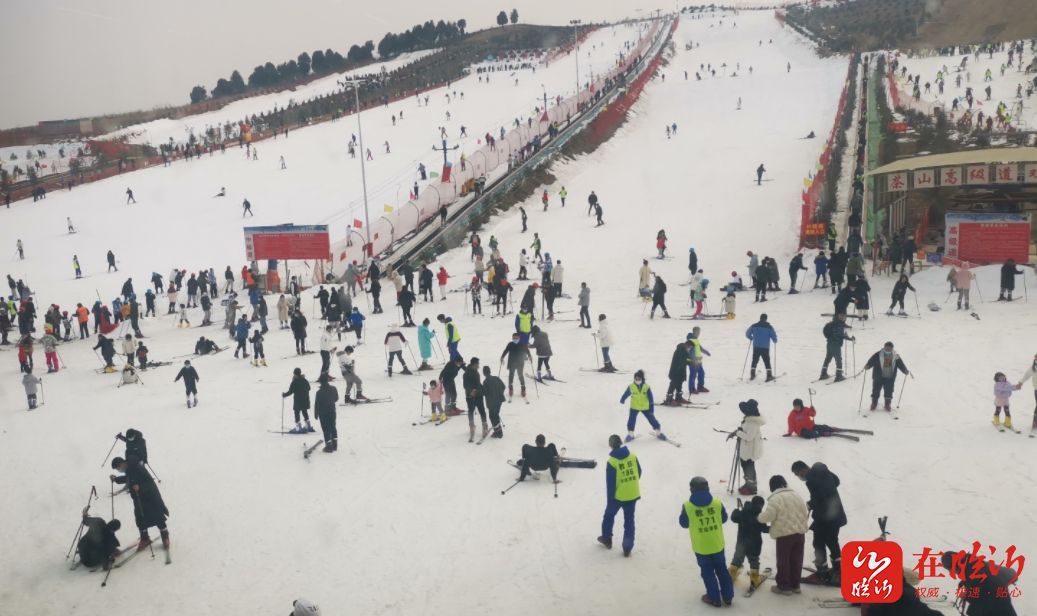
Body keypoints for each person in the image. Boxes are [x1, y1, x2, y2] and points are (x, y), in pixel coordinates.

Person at [678, 476, 734, 607]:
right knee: (722, 570)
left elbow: (683, 523)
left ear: (691, 490)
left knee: (707, 572)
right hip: (717, 544)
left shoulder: (688, 506)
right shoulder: (717, 503)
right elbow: (724, 518)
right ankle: (728, 596)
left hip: (701, 547)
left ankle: (714, 598)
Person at [793, 461, 847, 584]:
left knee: (818, 543)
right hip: (836, 513)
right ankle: (838, 572)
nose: (799, 477)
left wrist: (811, 503)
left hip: (825, 517)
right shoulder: (823, 471)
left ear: (802, 470)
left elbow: (820, 498)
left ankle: (822, 573)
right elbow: (836, 481)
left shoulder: (811, 480)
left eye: (797, 474)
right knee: (832, 541)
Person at [757, 475, 808, 595]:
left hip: (785, 535)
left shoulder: (776, 498)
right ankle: (795, 585)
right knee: (796, 560)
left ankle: (784, 586)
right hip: (800, 534)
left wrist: (758, 518)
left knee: (783, 561)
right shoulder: (797, 495)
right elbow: (804, 512)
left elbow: (768, 516)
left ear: (772, 487)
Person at [110, 455, 169, 551]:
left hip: (150, 497)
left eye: (118, 468)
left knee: (157, 515)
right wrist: (116, 479)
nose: (119, 470)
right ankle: (145, 538)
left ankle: (165, 536)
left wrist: (140, 487)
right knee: (140, 518)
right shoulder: (129, 469)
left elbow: (149, 481)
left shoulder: (137, 467)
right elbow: (129, 478)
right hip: (138, 499)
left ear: (122, 464)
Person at [939, 549, 1018, 616]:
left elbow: (978, 596)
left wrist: (966, 595)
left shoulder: (971, 572)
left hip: (996, 608)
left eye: (951, 570)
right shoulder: (972, 562)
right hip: (1002, 603)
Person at [598, 434, 641, 556]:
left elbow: (610, 484)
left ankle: (607, 539)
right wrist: (630, 484)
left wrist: (610, 501)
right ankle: (627, 547)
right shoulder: (632, 456)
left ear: (610, 445)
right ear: (621, 443)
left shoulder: (612, 462)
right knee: (629, 520)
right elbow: (639, 472)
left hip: (618, 496)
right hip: (632, 494)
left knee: (608, 516)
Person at [728, 496, 768, 591]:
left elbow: (734, 518)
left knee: (737, 559)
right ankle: (754, 580)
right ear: (761, 505)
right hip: (754, 544)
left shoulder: (744, 511)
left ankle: (731, 575)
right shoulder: (759, 516)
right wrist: (774, 528)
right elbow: (764, 529)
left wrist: (736, 511)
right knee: (754, 561)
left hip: (741, 543)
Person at [727, 400, 765, 495]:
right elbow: (744, 430)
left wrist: (738, 433)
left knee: (749, 467)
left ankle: (752, 487)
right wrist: (736, 432)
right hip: (746, 448)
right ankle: (748, 484)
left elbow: (749, 437)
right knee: (746, 466)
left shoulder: (753, 423)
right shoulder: (749, 419)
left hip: (750, 450)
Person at [619, 369, 666, 441]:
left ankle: (658, 432)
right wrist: (623, 399)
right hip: (634, 407)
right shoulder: (631, 386)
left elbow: (651, 399)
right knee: (631, 420)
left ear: (642, 379)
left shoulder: (646, 387)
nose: (637, 380)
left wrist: (651, 409)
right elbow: (626, 393)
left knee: (652, 419)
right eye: (636, 379)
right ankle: (630, 434)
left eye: (639, 379)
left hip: (645, 407)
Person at [864, 341, 910, 412]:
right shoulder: (878, 354)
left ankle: (887, 404)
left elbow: (900, 364)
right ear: (884, 347)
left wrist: (905, 370)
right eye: (887, 348)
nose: (888, 349)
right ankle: (874, 403)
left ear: (892, 348)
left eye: (889, 348)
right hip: (878, 376)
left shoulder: (896, 356)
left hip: (890, 377)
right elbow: (871, 361)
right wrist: (868, 365)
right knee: (876, 390)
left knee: (889, 391)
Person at [820, 313, 854, 381]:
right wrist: (849, 338)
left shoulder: (831, 323)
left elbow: (833, 333)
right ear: (840, 317)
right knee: (838, 360)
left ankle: (823, 374)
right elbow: (839, 335)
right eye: (844, 317)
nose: (845, 318)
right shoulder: (839, 325)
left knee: (827, 359)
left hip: (829, 343)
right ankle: (839, 375)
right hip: (835, 345)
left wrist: (844, 336)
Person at [745, 313, 777, 381]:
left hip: (756, 346)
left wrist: (751, 338)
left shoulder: (754, 326)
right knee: (766, 361)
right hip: (765, 347)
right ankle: (769, 376)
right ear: (766, 319)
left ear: (760, 318)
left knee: (755, 360)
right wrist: (775, 340)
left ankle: (752, 374)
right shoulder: (769, 327)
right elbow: (774, 337)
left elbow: (747, 333)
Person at [500, 332, 532, 401]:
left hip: (520, 362)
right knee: (511, 374)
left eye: (516, 338)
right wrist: (502, 357)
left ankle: (523, 389)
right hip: (511, 362)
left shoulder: (523, 344)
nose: (515, 339)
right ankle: (510, 388)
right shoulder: (510, 344)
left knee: (520, 375)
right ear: (512, 338)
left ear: (519, 338)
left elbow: (527, 351)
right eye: (514, 338)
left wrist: (530, 356)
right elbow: (506, 351)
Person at [463, 357, 487, 442]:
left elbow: (477, 383)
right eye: (478, 364)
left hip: (478, 395)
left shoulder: (476, 372)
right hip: (470, 396)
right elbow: (465, 385)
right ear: (474, 364)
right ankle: (472, 426)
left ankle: (484, 426)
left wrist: (483, 388)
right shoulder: (466, 373)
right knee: (471, 411)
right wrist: (471, 391)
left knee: (482, 410)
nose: (479, 365)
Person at [282, 368, 314, 433]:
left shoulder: (294, 382)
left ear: (295, 374)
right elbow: (309, 388)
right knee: (304, 411)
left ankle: (298, 427)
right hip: (305, 399)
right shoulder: (305, 380)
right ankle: (308, 425)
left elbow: (290, 391)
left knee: (297, 413)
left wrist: (284, 395)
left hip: (298, 401)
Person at [314, 374, 339, 453]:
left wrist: (316, 413)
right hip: (332, 411)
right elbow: (336, 398)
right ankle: (335, 444)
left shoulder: (319, 392)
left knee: (326, 429)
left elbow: (317, 404)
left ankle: (329, 446)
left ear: (321, 382)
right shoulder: (333, 388)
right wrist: (331, 401)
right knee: (333, 426)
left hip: (323, 413)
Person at [482, 366, 506, 437]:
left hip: (492, 402)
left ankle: (498, 432)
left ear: (484, 373)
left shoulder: (485, 382)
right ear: (490, 371)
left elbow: (484, 392)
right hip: (499, 400)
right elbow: (503, 386)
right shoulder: (496, 378)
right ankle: (498, 430)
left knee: (492, 416)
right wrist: (499, 393)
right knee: (496, 415)